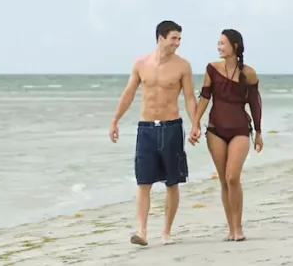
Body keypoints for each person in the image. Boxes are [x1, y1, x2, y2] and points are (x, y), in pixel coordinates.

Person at [109, 20, 199, 247]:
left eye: (179, 39)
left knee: (172, 182)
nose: (177, 43)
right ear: (161, 38)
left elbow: (189, 97)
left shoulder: (182, 66)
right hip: (146, 128)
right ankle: (142, 231)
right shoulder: (141, 64)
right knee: (144, 181)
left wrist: (196, 124)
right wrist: (115, 120)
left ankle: (166, 231)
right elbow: (129, 93)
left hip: (171, 127)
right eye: (174, 39)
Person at [188, 28, 263, 242]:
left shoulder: (248, 73)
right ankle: (231, 229)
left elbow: (255, 104)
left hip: (240, 129)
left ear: (235, 46)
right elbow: (204, 97)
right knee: (223, 180)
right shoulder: (212, 69)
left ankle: (238, 228)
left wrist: (258, 131)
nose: (218, 47)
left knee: (233, 177)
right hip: (215, 130)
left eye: (222, 43)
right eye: (218, 43)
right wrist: (195, 124)